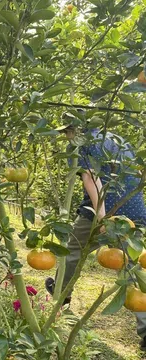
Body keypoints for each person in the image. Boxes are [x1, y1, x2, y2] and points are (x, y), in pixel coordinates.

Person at [45, 116, 146, 349]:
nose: (67, 138)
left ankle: (61, 294)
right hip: (135, 210)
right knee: (134, 270)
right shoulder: (119, 140)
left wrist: (104, 219)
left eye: (66, 133)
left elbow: (91, 178)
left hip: (102, 211)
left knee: (72, 251)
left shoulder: (83, 142)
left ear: (74, 130)